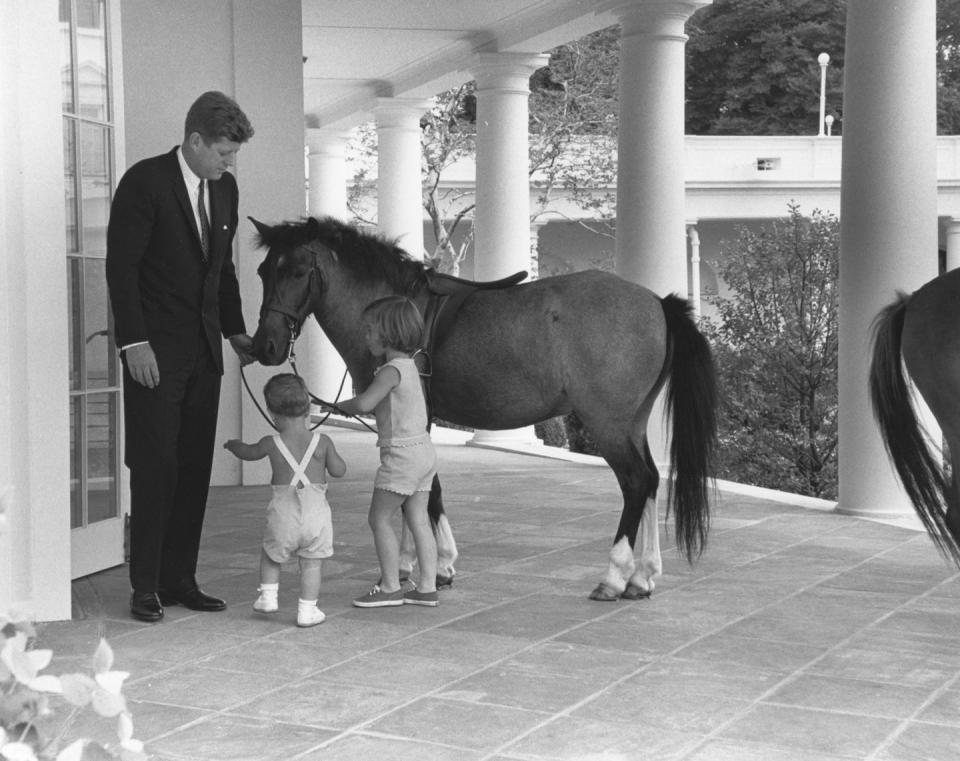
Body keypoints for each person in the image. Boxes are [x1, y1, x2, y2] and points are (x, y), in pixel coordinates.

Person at [106, 91, 256, 623]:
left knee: (193, 465)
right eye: (224, 152)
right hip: (153, 352)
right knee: (156, 465)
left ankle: (180, 579)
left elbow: (223, 268)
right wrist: (133, 342)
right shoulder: (144, 182)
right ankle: (144, 585)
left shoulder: (226, 190)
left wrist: (236, 332)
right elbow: (121, 269)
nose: (230, 163)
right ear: (194, 141)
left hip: (204, 354)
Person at [329, 296, 440, 608]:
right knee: (418, 518)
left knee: (378, 519)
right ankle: (427, 587)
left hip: (402, 456)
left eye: (369, 330)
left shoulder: (389, 370)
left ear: (388, 333)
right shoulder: (411, 367)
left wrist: (339, 406)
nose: (365, 337)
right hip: (423, 452)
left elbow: (364, 403)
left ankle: (390, 586)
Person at [223, 374, 346, 627]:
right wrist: (334, 459)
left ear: (272, 413)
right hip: (317, 518)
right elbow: (339, 470)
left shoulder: (271, 443)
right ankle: (307, 611)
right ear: (307, 407)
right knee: (312, 564)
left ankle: (268, 597)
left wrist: (234, 445)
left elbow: (248, 453)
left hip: (283, 516)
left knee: (271, 554)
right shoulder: (322, 442)